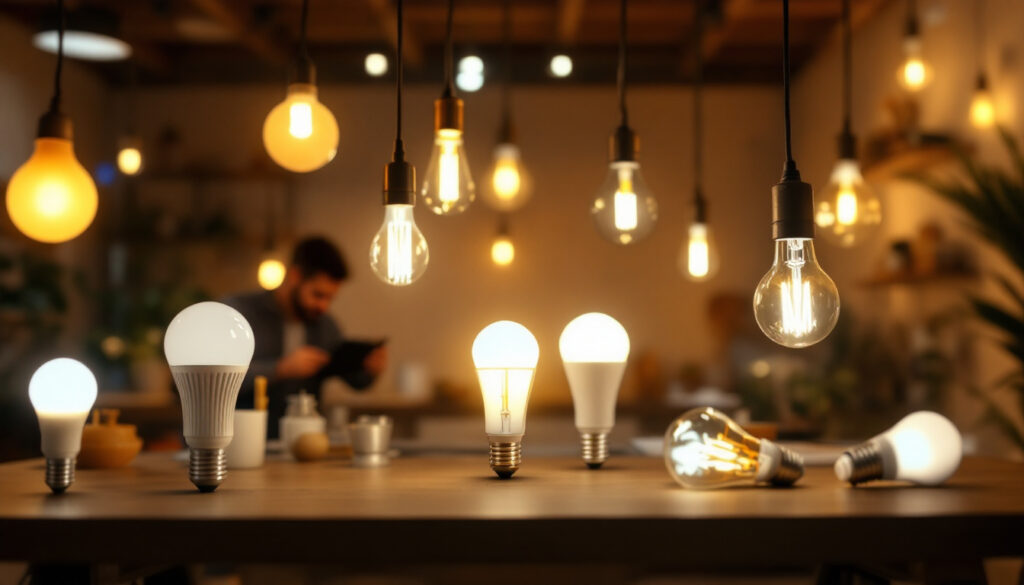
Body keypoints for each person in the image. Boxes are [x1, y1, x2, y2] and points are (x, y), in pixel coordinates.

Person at [223, 237, 387, 437]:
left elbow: (353, 380)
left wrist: (370, 369)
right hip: (241, 440)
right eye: (318, 295)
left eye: (330, 298)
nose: (324, 306)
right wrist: (280, 369)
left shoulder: (325, 326)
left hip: (302, 446)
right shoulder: (239, 313)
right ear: (295, 276)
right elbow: (215, 379)